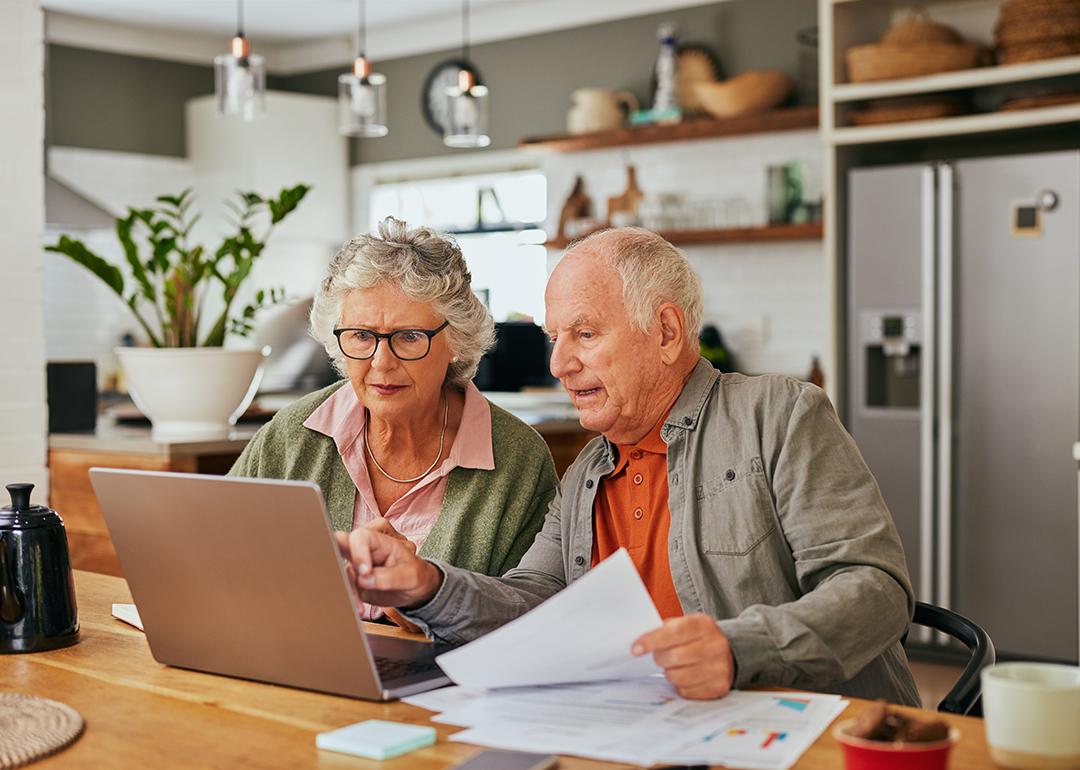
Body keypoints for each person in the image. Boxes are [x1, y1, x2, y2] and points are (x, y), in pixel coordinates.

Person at [337, 227, 921, 705]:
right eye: (554, 337)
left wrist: (741, 648)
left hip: (812, 733)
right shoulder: (588, 469)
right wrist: (427, 586)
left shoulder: (779, 415)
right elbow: (534, 603)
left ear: (665, 332)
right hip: (647, 732)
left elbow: (874, 591)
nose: (560, 363)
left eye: (585, 334)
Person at [229, 217, 558, 624]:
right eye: (362, 336)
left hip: (444, 682)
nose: (381, 364)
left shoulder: (517, 460)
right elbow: (218, 555)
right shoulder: (291, 434)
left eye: (409, 337)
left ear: (455, 340)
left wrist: (419, 597)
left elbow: (526, 616)